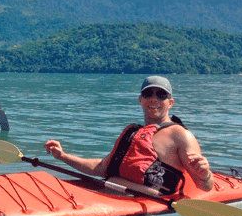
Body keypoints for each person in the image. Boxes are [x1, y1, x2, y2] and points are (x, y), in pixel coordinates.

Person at [44, 76, 213, 195]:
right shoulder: (133, 132)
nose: (153, 99)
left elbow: (203, 186)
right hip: (114, 192)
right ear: (140, 99)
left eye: (161, 95)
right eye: (148, 94)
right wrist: (63, 156)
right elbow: (102, 168)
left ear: (171, 102)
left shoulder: (181, 135)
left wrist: (205, 174)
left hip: (150, 203)